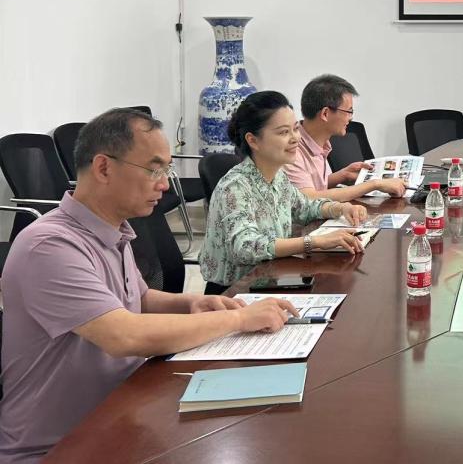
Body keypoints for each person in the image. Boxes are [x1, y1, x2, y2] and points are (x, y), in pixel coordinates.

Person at [0, 108, 301, 462]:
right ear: (103, 168)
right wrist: (237, 319)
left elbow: (137, 297)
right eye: (154, 169)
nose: (165, 184)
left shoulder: (112, 229)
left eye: (167, 170)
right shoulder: (50, 246)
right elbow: (123, 335)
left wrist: (189, 304)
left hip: (121, 417)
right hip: (58, 448)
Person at [199, 91, 365, 294]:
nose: (295, 138)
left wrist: (340, 208)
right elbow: (246, 247)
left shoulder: (278, 176)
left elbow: (305, 207)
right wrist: (312, 243)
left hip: (270, 278)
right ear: (253, 140)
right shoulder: (234, 187)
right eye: (284, 132)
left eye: (295, 129)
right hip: (233, 292)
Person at [284, 74, 405, 205]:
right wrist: (374, 184)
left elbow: (313, 184)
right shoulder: (292, 149)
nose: (351, 118)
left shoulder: (319, 142)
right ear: (325, 114)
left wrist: (343, 175)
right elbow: (309, 199)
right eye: (349, 111)